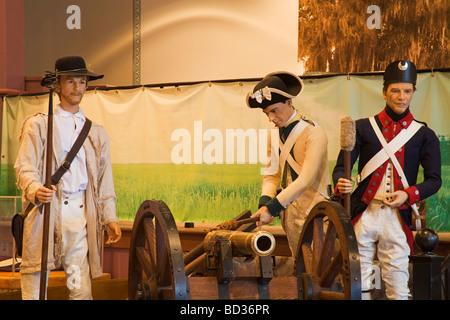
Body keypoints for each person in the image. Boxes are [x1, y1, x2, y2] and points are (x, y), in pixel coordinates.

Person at [332, 60, 442, 300]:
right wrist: (343, 182)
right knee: (358, 284)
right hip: (364, 213)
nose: (401, 97)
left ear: (413, 92)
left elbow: (434, 180)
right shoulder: (362, 128)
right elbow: (341, 170)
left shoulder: (424, 134)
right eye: (395, 90)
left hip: (396, 216)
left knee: (398, 282)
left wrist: (408, 194)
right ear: (384, 92)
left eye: (407, 90)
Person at [14, 56, 121, 300]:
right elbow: (24, 166)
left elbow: (104, 181)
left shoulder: (96, 133)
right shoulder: (38, 125)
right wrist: (34, 188)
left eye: (82, 82)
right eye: (70, 82)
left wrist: (110, 218)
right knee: (35, 279)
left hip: (78, 214)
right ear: (58, 85)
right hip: (45, 211)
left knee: (79, 281)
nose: (77, 88)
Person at [246, 71, 330, 258]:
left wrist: (271, 208)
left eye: (274, 110)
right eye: (266, 113)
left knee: (319, 267)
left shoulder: (313, 132)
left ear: (289, 102)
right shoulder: (274, 135)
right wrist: (264, 203)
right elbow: (272, 174)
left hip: (316, 212)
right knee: (299, 264)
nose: (270, 118)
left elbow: (306, 179)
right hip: (290, 213)